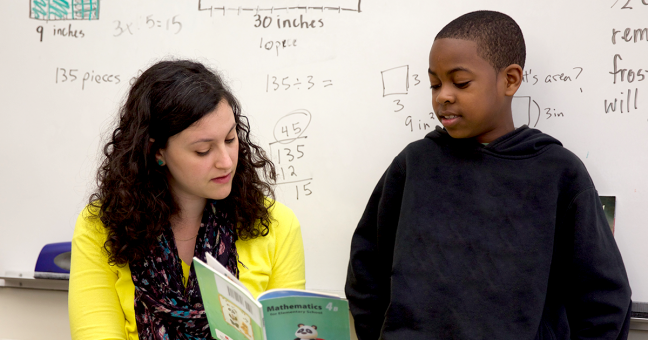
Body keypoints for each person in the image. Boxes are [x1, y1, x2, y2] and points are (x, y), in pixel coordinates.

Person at [345, 10, 632, 340]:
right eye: (435, 84)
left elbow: (604, 298)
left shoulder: (557, 172)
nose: (443, 96)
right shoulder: (414, 166)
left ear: (510, 80)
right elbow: (365, 271)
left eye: (461, 82)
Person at [69, 60, 306, 340]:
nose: (227, 161)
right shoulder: (101, 225)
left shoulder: (277, 224)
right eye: (203, 150)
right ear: (156, 152)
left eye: (230, 139)